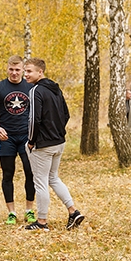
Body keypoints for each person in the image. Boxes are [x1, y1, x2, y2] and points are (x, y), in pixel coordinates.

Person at [23, 58, 85, 231]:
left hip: (43, 145)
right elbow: (66, 114)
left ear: (40, 72)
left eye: (29, 71)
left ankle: (41, 222)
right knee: (53, 178)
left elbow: (34, 119)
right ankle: (73, 211)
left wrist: (31, 141)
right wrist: (56, 131)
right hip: (59, 142)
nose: (25, 74)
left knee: (41, 182)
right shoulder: (56, 89)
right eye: (25, 71)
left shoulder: (36, 91)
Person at [0, 55, 36, 225]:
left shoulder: (31, 87)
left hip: (26, 137)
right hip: (6, 137)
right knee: (8, 174)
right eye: (11, 69)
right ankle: (11, 212)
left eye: (17, 70)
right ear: (7, 68)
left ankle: (29, 209)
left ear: (22, 69)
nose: (14, 73)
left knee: (30, 172)